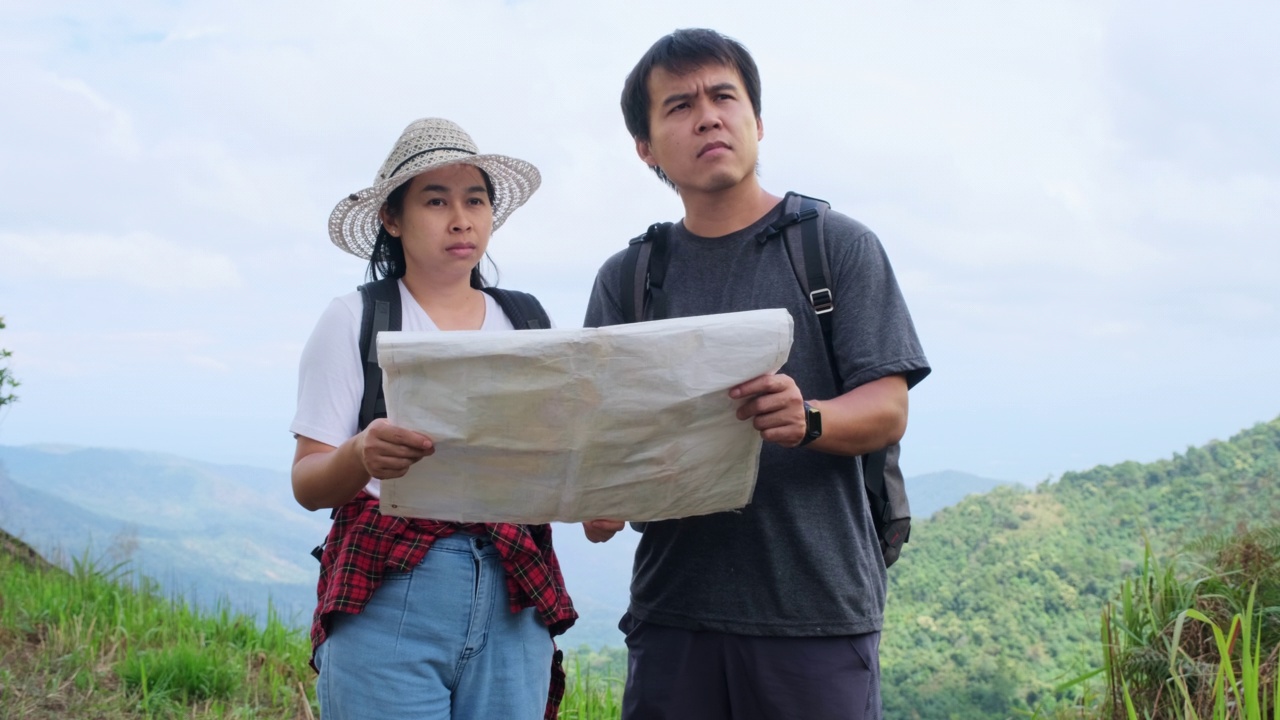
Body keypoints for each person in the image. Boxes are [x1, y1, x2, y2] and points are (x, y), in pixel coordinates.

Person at [582, 29, 931, 720]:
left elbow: (889, 409)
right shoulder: (629, 281)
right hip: (673, 614)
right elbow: (601, 452)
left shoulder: (836, 248)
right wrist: (600, 499)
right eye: (679, 106)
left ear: (758, 121)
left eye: (723, 97)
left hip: (816, 614)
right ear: (646, 148)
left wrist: (809, 421)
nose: (707, 116)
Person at [291, 117, 576, 720]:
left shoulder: (525, 323)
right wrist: (361, 453)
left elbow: (552, 460)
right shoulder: (355, 319)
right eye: (435, 200)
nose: (461, 218)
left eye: (475, 200)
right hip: (389, 590)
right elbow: (307, 481)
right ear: (392, 220)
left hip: (512, 588)